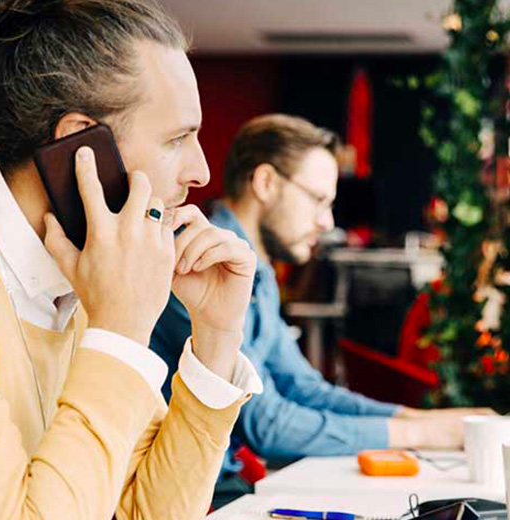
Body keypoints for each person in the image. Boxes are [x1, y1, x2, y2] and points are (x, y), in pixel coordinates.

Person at [0, 1, 262, 519]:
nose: (203, 171)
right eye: (178, 138)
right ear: (80, 145)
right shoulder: (110, 303)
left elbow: (148, 511)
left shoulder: (90, 276)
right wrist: (118, 331)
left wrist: (217, 338)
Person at [151, 113, 492, 479]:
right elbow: (265, 424)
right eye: (318, 200)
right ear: (265, 183)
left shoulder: (258, 273)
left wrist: (417, 419)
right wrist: (421, 434)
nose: (327, 223)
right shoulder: (198, 265)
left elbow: (305, 388)